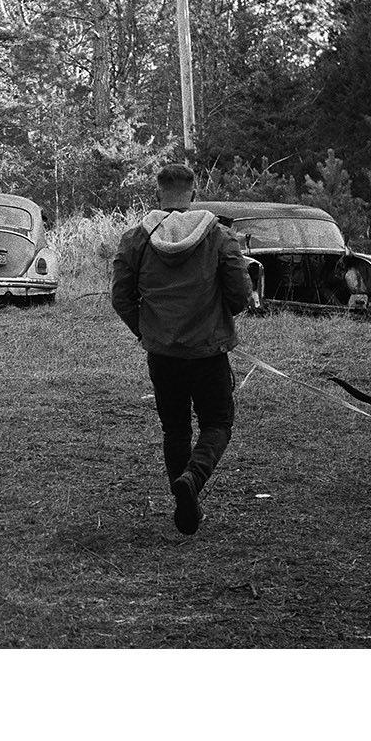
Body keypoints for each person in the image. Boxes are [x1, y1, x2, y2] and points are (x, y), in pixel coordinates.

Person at [110, 163, 252, 534]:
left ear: (158, 193)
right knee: (217, 423)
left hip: (162, 354)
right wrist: (216, 319)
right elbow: (239, 294)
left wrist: (148, 331)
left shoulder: (136, 239)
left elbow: (121, 297)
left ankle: (186, 506)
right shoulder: (220, 237)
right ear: (194, 193)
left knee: (175, 431)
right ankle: (193, 477)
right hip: (208, 352)